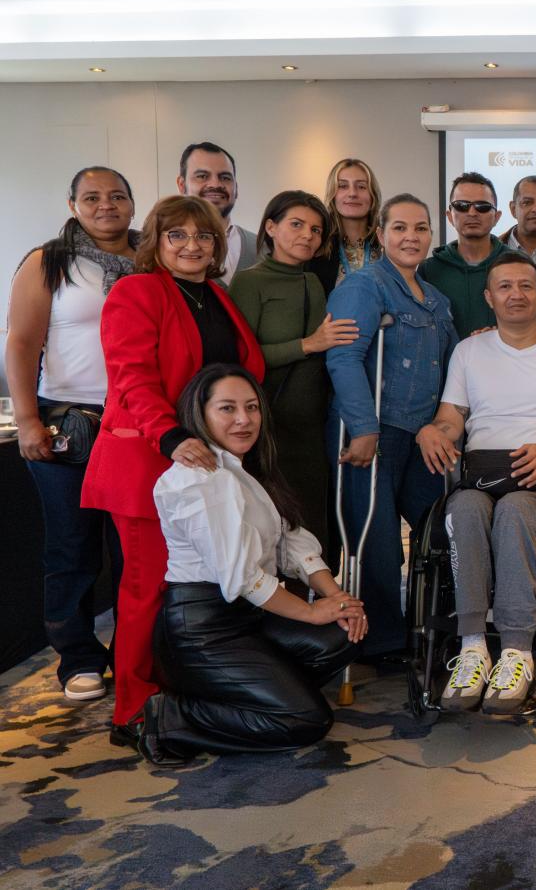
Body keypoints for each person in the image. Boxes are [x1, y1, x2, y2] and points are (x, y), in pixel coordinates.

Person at [81, 195, 264, 742]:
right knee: (148, 588)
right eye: (177, 235)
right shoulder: (136, 291)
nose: (192, 245)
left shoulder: (215, 295)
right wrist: (171, 436)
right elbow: (131, 377)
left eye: (203, 236)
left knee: (192, 586)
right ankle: (133, 710)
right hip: (148, 460)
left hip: (204, 463)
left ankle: (177, 694)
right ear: (155, 242)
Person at [137, 365, 365, 765]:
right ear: (200, 415)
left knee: (344, 633)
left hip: (250, 616)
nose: (244, 419)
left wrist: (338, 599)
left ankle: (261, 697)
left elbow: (292, 539)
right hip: (204, 629)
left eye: (252, 407)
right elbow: (241, 576)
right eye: (227, 408)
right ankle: (175, 716)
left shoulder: (243, 469)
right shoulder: (201, 478)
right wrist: (311, 612)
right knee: (306, 721)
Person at [420, 251, 536, 713]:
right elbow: (451, 419)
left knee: (515, 509)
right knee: (463, 509)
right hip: (482, 476)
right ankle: (473, 649)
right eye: (505, 286)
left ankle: (518, 651)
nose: (516, 294)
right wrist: (432, 431)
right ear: (489, 297)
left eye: (525, 285)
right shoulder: (469, 352)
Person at [5, 166, 136, 702]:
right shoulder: (49, 260)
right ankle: (78, 658)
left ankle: (134, 654)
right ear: (73, 205)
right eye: (92, 197)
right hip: (67, 425)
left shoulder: (153, 258)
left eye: (117, 196)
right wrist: (27, 420)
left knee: (133, 549)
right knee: (71, 547)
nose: (106, 205)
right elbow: (20, 343)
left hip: (136, 422)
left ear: (132, 203)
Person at [326, 194, 458, 662]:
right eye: (400, 227)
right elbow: (343, 358)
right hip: (373, 431)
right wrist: (363, 429)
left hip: (420, 435)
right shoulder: (364, 286)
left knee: (437, 527)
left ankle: (431, 625)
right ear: (381, 234)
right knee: (376, 538)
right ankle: (381, 642)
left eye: (420, 228)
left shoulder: (436, 299)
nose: (411, 237)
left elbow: (450, 367)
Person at [230, 190, 357, 556]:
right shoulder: (249, 281)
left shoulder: (312, 282)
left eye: (316, 230)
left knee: (312, 526)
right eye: (297, 225)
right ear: (271, 227)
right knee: (267, 525)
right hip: (269, 423)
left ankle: (311, 592)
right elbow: (241, 359)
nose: (307, 236)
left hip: (312, 425)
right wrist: (307, 344)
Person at [423, 171, 509, 337]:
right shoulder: (429, 270)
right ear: (449, 216)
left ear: (497, 217)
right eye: (462, 205)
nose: (472, 213)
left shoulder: (517, 264)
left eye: (482, 207)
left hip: (506, 353)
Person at [175, 141, 258, 285]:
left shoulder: (262, 247)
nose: (215, 184)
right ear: (182, 185)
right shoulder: (167, 250)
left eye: (225, 178)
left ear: (236, 188)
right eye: (202, 176)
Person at [309, 157, 383, 294]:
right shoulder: (317, 245)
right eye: (343, 186)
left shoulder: (387, 244)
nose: (353, 193)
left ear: (372, 195)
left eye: (361, 186)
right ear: (333, 195)